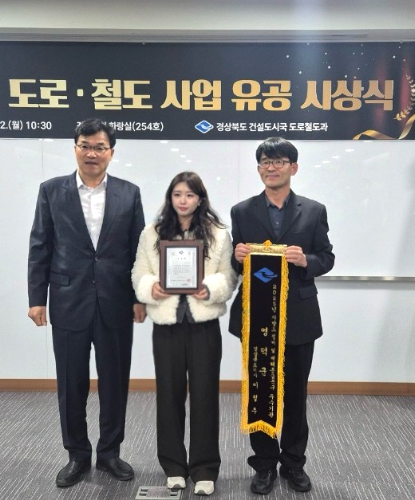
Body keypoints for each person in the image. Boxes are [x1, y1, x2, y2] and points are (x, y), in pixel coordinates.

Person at [27, 118, 146, 488]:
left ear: (111, 152)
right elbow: (40, 246)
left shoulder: (129, 193)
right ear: (75, 148)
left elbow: (139, 251)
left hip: (116, 302)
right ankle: (77, 454)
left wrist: (139, 297)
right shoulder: (51, 191)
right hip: (68, 300)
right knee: (71, 383)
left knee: (115, 382)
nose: (92, 153)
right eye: (85, 146)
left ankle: (109, 452)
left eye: (99, 147)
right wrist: (37, 299)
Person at [229, 137, 334, 495]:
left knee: (295, 395)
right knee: (260, 392)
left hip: (299, 317)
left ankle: (293, 463)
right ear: (259, 168)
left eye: (278, 161)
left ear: (293, 167)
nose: (270, 167)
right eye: (264, 162)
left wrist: (306, 260)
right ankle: (263, 465)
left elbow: (327, 257)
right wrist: (236, 257)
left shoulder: (314, 210)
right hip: (256, 317)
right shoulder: (241, 211)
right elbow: (234, 263)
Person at [132, 172, 237, 497]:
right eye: (177, 194)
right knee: (169, 395)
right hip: (167, 326)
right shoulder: (151, 233)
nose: (183, 200)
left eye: (189, 195)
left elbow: (229, 275)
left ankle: (204, 468)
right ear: (170, 197)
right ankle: (174, 467)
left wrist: (211, 288)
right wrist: (151, 288)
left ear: (200, 199)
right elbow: (139, 272)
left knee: (205, 396)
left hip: (203, 324)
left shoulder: (219, 234)